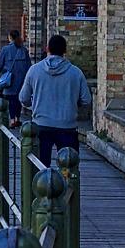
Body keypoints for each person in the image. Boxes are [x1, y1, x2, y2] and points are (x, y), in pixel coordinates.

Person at [18, 33, 92, 167]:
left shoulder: (34, 70)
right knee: (69, 167)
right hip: (67, 125)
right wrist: (73, 104)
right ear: (65, 51)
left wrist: (34, 103)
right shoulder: (76, 73)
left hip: (41, 124)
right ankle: (68, 187)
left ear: (47, 49)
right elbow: (86, 100)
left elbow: (24, 98)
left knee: (40, 166)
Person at [0, 29, 31, 127]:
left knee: (11, 100)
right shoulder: (24, 50)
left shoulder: (5, 49)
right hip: (22, 78)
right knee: (18, 99)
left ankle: (12, 120)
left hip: (10, 78)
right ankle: (17, 118)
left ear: (10, 37)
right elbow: (29, 65)